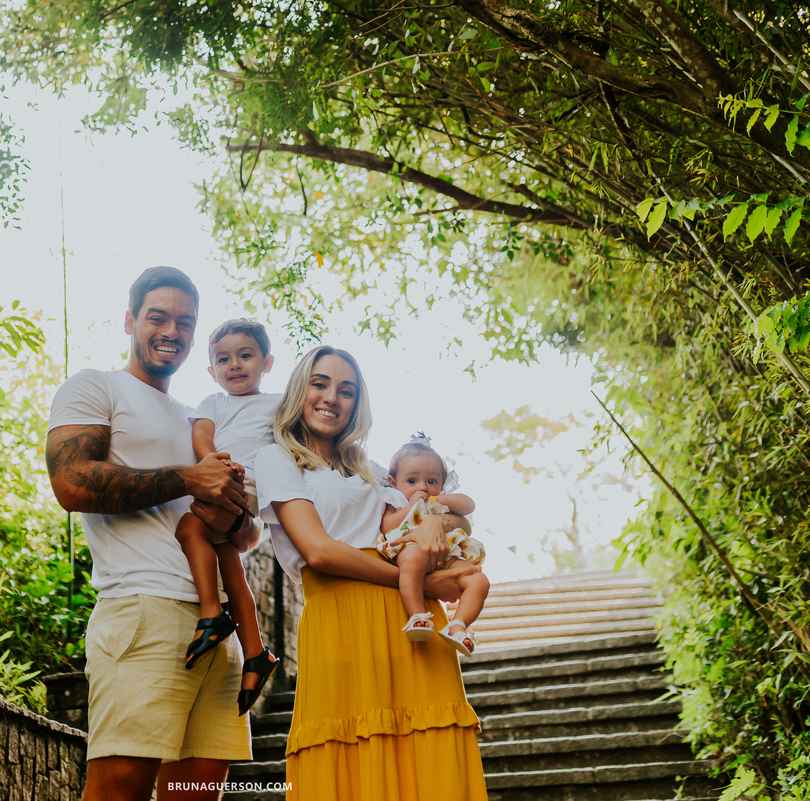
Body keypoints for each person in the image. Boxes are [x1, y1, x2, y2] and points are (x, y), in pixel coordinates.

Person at [46, 267, 260, 801]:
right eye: (157, 317)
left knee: (195, 792)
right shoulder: (95, 386)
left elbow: (247, 538)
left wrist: (235, 512)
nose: (171, 330)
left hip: (219, 630)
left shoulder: (199, 420)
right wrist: (190, 478)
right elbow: (71, 483)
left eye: (185, 322)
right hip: (143, 613)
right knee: (121, 790)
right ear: (130, 321)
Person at [254, 345, 487, 800]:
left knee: (429, 750)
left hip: (410, 622)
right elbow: (318, 551)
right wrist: (417, 579)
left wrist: (439, 519)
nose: (331, 398)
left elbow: (451, 519)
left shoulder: (372, 468)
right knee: (347, 750)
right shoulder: (277, 459)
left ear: (357, 403)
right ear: (300, 389)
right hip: (342, 616)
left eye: (346, 390)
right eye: (319, 384)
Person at [176, 318, 281, 715]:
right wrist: (210, 459)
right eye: (223, 359)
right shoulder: (213, 402)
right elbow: (201, 433)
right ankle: (255, 652)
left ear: (266, 362)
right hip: (219, 474)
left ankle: (211, 615)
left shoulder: (277, 403)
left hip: (247, 482)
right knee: (227, 560)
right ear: (211, 370)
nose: (234, 364)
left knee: (190, 527)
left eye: (246, 355)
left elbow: (293, 441)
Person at [379, 435, 490, 655]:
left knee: (479, 581)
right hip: (412, 550)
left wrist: (435, 501)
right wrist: (410, 507)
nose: (423, 487)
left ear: (441, 482)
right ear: (394, 482)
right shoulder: (395, 501)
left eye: (431, 481)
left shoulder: (439, 500)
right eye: (412, 481)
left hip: (446, 557)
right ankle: (417, 615)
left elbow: (468, 505)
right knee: (411, 558)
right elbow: (387, 527)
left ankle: (458, 625)